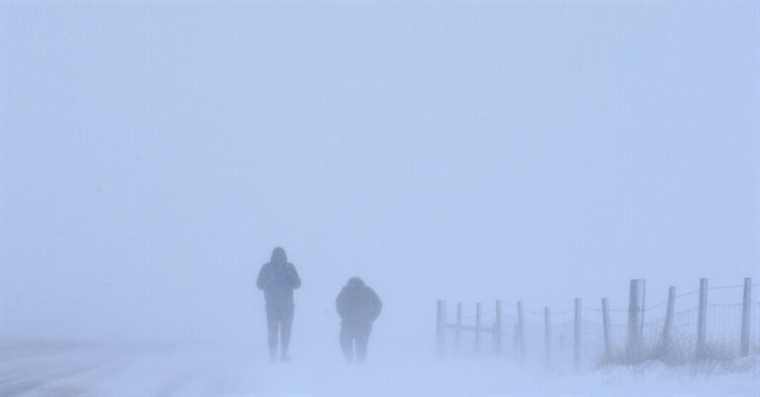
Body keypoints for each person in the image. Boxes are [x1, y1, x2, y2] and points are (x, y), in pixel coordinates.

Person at [257, 247, 301, 362]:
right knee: (284, 331)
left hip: (274, 306)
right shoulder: (288, 267)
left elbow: (259, 284)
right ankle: (282, 355)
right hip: (284, 306)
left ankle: (274, 356)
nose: (279, 260)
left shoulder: (268, 268)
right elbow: (297, 284)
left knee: (273, 330)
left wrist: (268, 281)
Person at [336, 277, 382, 363]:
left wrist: (371, 317)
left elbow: (378, 305)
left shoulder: (366, 291)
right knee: (350, 344)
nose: (355, 288)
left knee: (358, 346)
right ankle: (353, 363)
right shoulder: (347, 291)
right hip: (353, 324)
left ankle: (357, 365)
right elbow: (338, 304)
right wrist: (371, 317)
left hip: (359, 324)